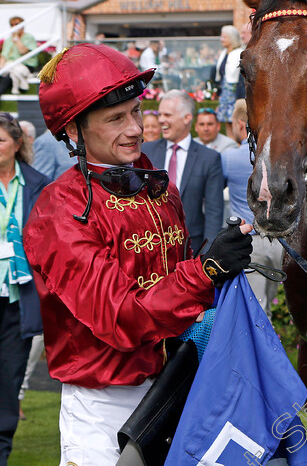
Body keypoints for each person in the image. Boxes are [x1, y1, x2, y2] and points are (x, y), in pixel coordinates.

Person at [23, 43, 253, 464]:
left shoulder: (156, 187)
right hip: (101, 408)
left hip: (176, 388)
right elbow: (120, 317)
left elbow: (180, 289)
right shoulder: (60, 210)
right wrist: (204, 272)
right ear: (74, 131)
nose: (134, 129)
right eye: (115, 118)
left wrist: (216, 266)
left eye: (135, 112)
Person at [0, 115, 47, 466]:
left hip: (19, 301)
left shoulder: (39, 184)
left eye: (0, 140)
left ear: (17, 144)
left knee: (8, 382)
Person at [142, 90, 225, 255]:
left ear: (187, 118)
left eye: (167, 115)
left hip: (191, 249)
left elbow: (213, 213)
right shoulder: (146, 152)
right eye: (160, 115)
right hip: (149, 248)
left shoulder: (209, 159)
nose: (161, 120)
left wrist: (207, 257)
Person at [222, 99, 284, 315]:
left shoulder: (228, 158)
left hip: (250, 241)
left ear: (241, 124)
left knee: (256, 309)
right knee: (271, 301)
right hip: (280, 241)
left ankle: (261, 349)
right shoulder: (279, 156)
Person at [215, 25, 243, 138]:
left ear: (231, 38)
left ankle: (237, 143)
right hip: (225, 91)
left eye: (224, 37)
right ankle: (230, 142)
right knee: (226, 120)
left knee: (235, 119)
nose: (221, 39)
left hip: (235, 91)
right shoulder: (223, 53)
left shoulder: (239, 53)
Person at [0, 17, 38, 96]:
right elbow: (4, 56)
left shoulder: (29, 37)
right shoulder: (8, 40)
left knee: (7, 78)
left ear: (22, 26)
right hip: (10, 66)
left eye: (16, 24)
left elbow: (22, 51)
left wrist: (16, 39)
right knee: (5, 74)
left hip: (25, 65)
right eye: (12, 25)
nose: (14, 27)